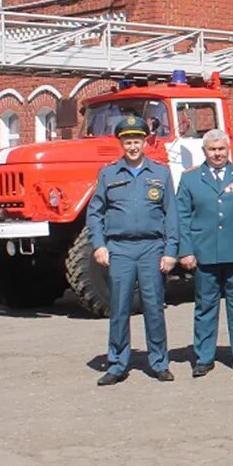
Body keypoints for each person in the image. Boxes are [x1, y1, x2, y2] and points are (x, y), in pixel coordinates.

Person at [88, 116, 179, 385]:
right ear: (121, 143)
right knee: (119, 308)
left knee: (154, 307)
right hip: (120, 248)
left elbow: (171, 215)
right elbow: (95, 213)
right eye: (128, 141)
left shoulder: (160, 173)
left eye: (137, 140)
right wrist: (99, 244)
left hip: (152, 247)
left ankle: (159, 361)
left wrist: (170, 250)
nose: (133, 146)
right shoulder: (108, 174)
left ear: (145, 142)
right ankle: (117, 364)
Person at [176, 129, 233, 377]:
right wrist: (186, 251)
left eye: (221, 149)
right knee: (205, 307)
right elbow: (182, 217)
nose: (217, 154)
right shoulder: (190, 178)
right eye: (212, 150)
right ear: (204, 151)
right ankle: (204, 357)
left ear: (228, 150)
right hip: (205, 253)